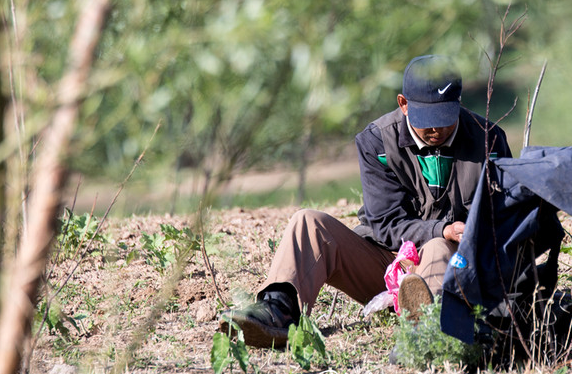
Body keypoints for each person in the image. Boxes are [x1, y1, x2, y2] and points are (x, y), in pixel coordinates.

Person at [219, 54, 511, 348]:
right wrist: (441, 229)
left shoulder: (490, 140)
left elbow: (504, 219)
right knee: (306, 222)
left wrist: (454, 238)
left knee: (437, 247)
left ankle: (427, 335)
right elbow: (385, 223)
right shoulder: (377, 141)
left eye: (446, 119)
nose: (437, 130)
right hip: (386, 263)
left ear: (459, 104)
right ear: (403, 104)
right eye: (428, 121)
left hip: (456, 270)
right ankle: (277, 311)